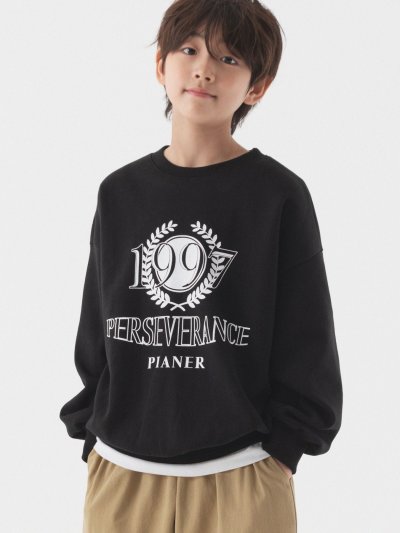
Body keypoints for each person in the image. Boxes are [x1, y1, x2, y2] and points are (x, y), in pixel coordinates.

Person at [59, 1, 343, 532]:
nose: (204, 69)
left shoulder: (278, 195)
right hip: (122, 474)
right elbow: (96, 327)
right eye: (189, 49)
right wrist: (91, 435)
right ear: (160, 65)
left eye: (229, 58)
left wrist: (285, 450)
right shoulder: (120, 193)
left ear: (257, 86)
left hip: (243, 475)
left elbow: (309, 339)